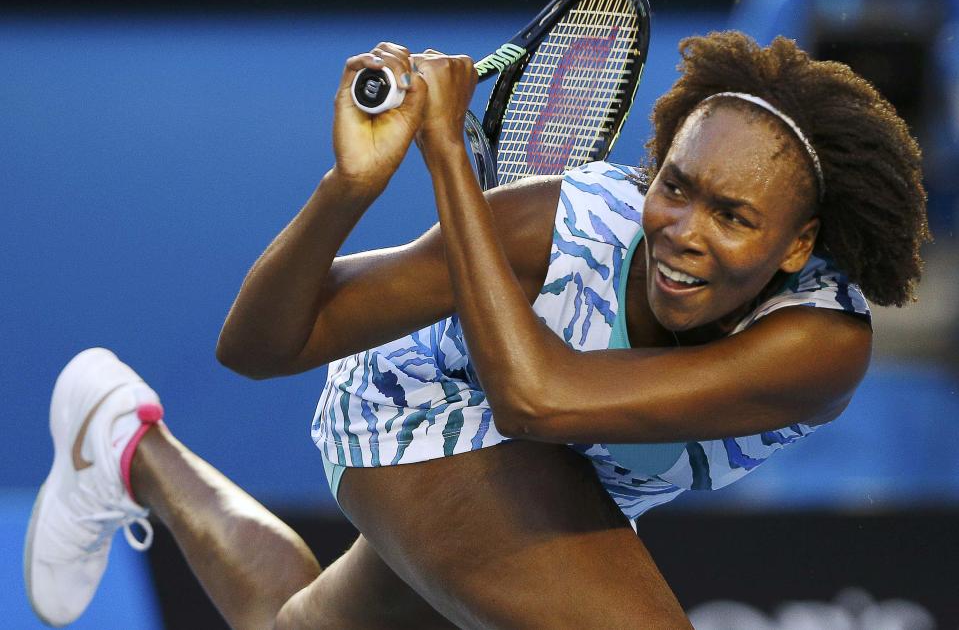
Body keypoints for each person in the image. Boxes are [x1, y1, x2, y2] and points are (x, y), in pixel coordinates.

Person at [25, 31, 928, 629]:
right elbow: (257, 347)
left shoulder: (817, 344)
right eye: (676, 185)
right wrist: (354, 185)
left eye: (732, 215)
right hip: (415, 407)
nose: (684, 231)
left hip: (550, 449)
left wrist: (450, 153)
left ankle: (124, 441)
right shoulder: (558, 225)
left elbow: (542, 400)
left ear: (795, 245)